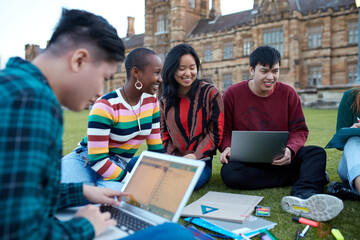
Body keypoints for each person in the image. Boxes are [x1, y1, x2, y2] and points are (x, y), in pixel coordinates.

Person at [0, 9, 195, 240]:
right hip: (88, 163)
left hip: (106, 169)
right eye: (103, 77)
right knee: (175, 234)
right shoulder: (32, 102)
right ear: (79, 60)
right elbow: (19, 232)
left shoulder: (15, 86)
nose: (100, 91)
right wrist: (85, 226)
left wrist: (80, 192)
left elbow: (28, 193)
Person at [219, 45, 343, 221]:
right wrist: (227, 147)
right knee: (230, 174)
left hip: (282, 158)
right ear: (251, 70)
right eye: (264, 71)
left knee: (316, 153)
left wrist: (290, 150)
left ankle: (303, 193)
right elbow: (224, 132)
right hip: (248, 161)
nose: (270, 77)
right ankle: (309, 177)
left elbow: (299, 130)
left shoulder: (288, 93)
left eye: (275, 71)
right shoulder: (232, 94)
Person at [61, 47, 164, 191]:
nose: (160, 79)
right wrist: (129, 178)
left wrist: (164, 173)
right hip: (85, 160)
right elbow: (97, 160)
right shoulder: (106, 105)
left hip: (118, 165)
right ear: (136, 72)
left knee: (113, 204)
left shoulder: (152, 101)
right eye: (156, 72)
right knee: (68, 196)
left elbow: (155, 147)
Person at [160, 43, 224, 189]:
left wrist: (194, 156)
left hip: (200, 161)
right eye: (181, 69)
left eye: (192, 67)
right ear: (171, 70)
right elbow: (163, 133)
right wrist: (171, 158)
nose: (188, 73)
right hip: (172, 159)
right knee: (136, 165)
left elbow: (216, 133)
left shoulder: (210, 93)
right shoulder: (165, 99)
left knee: (183, 182)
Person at [327, 88, 360, 201]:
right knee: (353, 140)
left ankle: (353, 192)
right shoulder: (351, 97)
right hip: (352, 161)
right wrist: (350, 130)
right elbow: (339, 145)